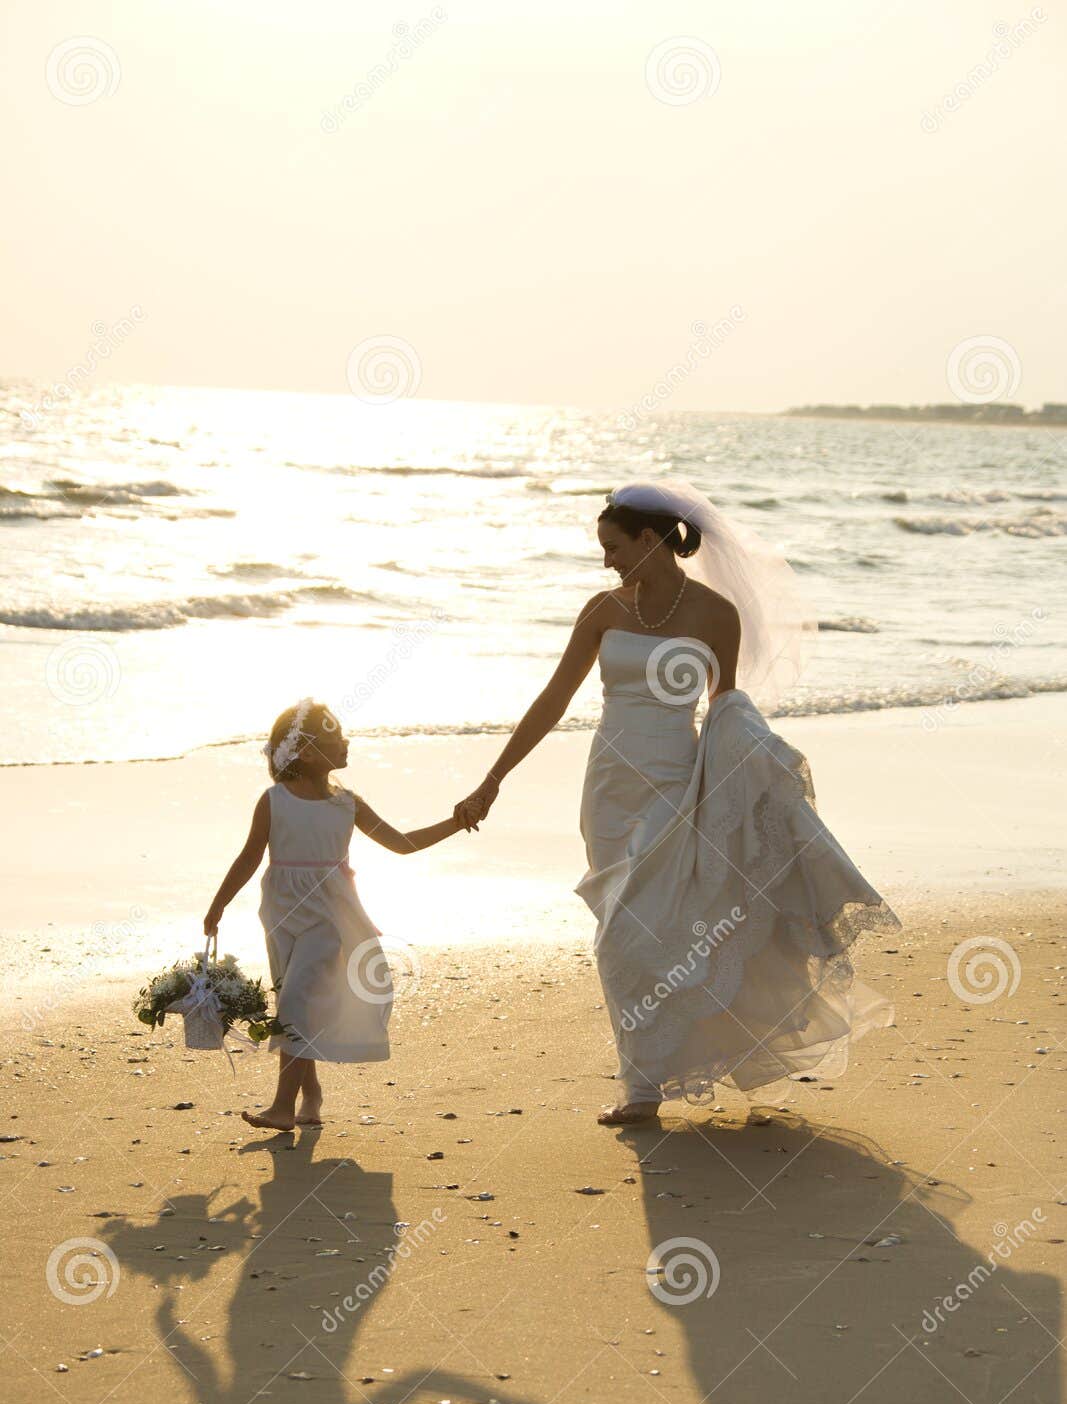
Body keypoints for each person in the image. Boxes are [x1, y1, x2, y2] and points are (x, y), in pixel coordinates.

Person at [455, 478, 900, 1125]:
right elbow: (551, 701)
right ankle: (644, 1082)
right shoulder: (602, 611)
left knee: (630, 932)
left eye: (612, 545)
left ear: (649, 539)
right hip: (608, 785)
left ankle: (641, 1087)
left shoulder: (716, 614)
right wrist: (491, 780)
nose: (604, 559)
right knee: (617, 919)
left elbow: (725, 707)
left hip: (676, 782)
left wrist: (759, 774)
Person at [204, 698, 465, 1131]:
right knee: (293, 1000)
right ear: (306, 752)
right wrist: (220, 902)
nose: (345, 743)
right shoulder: (275, 801)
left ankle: (282, 1108)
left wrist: (456, 822)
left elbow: (402, 843)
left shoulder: (348, 803)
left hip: (331, 913)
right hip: (281, 911)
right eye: (334, 738)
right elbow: (250, 856)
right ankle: (312, 1094)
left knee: (295, 1003)